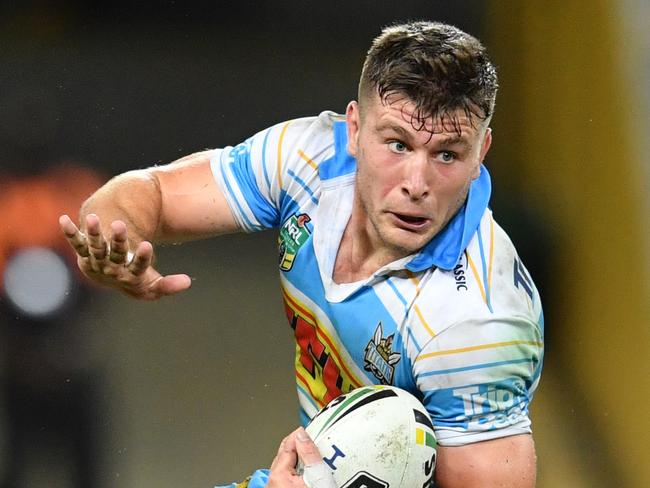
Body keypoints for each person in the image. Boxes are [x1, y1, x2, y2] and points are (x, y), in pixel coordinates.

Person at [59, 21, 543, 487]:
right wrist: (112, 241)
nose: (416, 185)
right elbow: (155, 191)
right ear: (354, 130)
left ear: (481, 153)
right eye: (397, 144)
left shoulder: (476, 326)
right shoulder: (308, 160)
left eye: (447, 155)